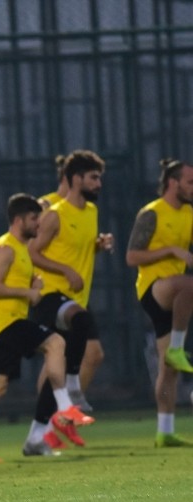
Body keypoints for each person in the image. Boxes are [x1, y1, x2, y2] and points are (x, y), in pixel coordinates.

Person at [0, 194, 94, 463]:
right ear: (19, 220)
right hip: (6, 322)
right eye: (34, 219)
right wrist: (28, 292)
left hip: (4, 323)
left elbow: (17, 287)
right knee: (56, 343)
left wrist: (32, 287)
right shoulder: (5, 248)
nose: (38, 224)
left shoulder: (21, 249)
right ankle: (65, 406)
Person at [27, 149, 107, 448]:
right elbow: (33, 252)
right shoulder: (55, 213)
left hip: (75, 297)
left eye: (99, 178)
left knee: (55, 365)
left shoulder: (91, 211)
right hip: (50, 294)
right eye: (93, 178)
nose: (98, 184)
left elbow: (73, 247)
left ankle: (37, 434)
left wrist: (97, 245)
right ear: (76, 179)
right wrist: (65, 270)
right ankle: (73, 388)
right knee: (81, 323)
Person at [125, 158, 193, 447]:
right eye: (190, 182)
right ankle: (178, 348)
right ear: (172, 183)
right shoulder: (151, 213)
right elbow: (132, 257)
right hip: (153, 288)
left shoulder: (188, 213)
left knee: (168, 370)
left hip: (177, 297)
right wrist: (172, 251)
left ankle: (165, 431)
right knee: (189, 284)